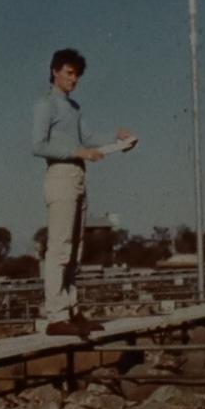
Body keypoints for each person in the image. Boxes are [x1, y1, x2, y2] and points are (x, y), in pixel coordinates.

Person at [32, 48, 132, 336]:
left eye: (77, 74)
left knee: (76, 249)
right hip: (60, 175)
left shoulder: (73, 108)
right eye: (69, 72)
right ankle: (56, 315)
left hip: (79, 176)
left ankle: (71, 310)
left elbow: (89, 139)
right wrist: (77, 152)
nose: (73, 79)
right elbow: (38, 145)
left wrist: (117, 138)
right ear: (55, 71)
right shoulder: (45, 105)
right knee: (60, 248)